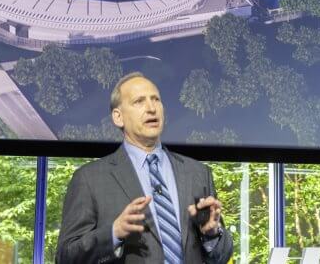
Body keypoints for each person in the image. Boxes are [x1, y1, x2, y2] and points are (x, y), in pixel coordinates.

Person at [56, 72, 234, 264]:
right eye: (139, 101)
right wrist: (113, 233)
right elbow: (66, 257)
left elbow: (221, 257)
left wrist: (211, 234)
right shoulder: (89, 179)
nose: (151, 108)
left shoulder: (197, 173)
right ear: (118, 117)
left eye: (156, 100)